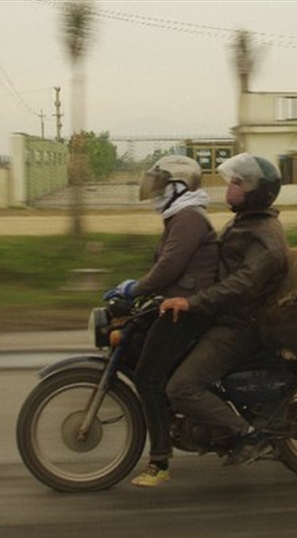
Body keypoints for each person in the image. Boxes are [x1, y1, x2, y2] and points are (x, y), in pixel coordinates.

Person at [160, 152, 289, 467]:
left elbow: (240, 285)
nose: (229, 187)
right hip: (223, 316)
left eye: (237, 182)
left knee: (181, 387)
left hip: (239, 326)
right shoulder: (246, 221)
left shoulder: (266, 239)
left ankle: (248, 435)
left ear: (256, 192)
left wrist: (191, 302)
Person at [102, 155, 219, 488]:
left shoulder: (188, 219)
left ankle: (160, 462)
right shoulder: (180, 217)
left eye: (159, 186)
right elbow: (167, 269)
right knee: (143, 348)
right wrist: (139, 290)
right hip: (176, 303)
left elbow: (169, 267)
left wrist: (135, 288)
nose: (154, 192)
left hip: (189, 310)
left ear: (178, 187)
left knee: (147, 376)